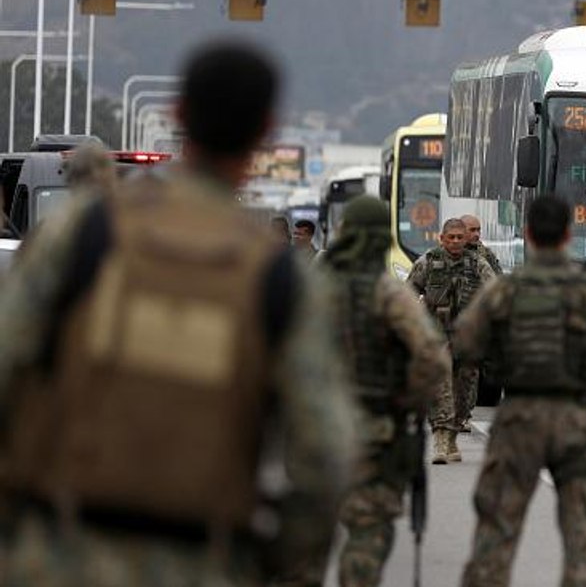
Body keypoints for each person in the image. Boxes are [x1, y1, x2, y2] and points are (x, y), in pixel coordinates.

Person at [0, 41, 359, 586]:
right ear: (264, 133)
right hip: (202, 561)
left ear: (178, 115)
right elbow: (327, 456)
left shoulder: (81, 233)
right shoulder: (282, 278)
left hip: (58, 551)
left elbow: (8, 364)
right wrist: (271, 561)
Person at [454, 194, 586, 587]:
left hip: (519, 416)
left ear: (528, 235)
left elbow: (466, 343)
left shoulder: (506, 290)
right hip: (577, 417)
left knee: (497, 529)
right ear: (568, 234)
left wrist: (501, 362)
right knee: (583, 533)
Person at [276, 195, 449, 587]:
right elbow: (431, 357)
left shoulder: (304, 287)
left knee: (304, 538)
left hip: (307, 430)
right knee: (368, 532)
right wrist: (407, 401)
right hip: (373, 427)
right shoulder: (389, 294)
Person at [407, 217, 495, 463]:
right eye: (451, 237)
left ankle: (454, 433)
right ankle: (440, 438)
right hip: (437, 335)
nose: (456, 241)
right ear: (442, 238)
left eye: (460, 237)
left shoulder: (478, 264)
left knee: (465, 387)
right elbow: (408, 293)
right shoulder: (427, 262)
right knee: (441, 384)